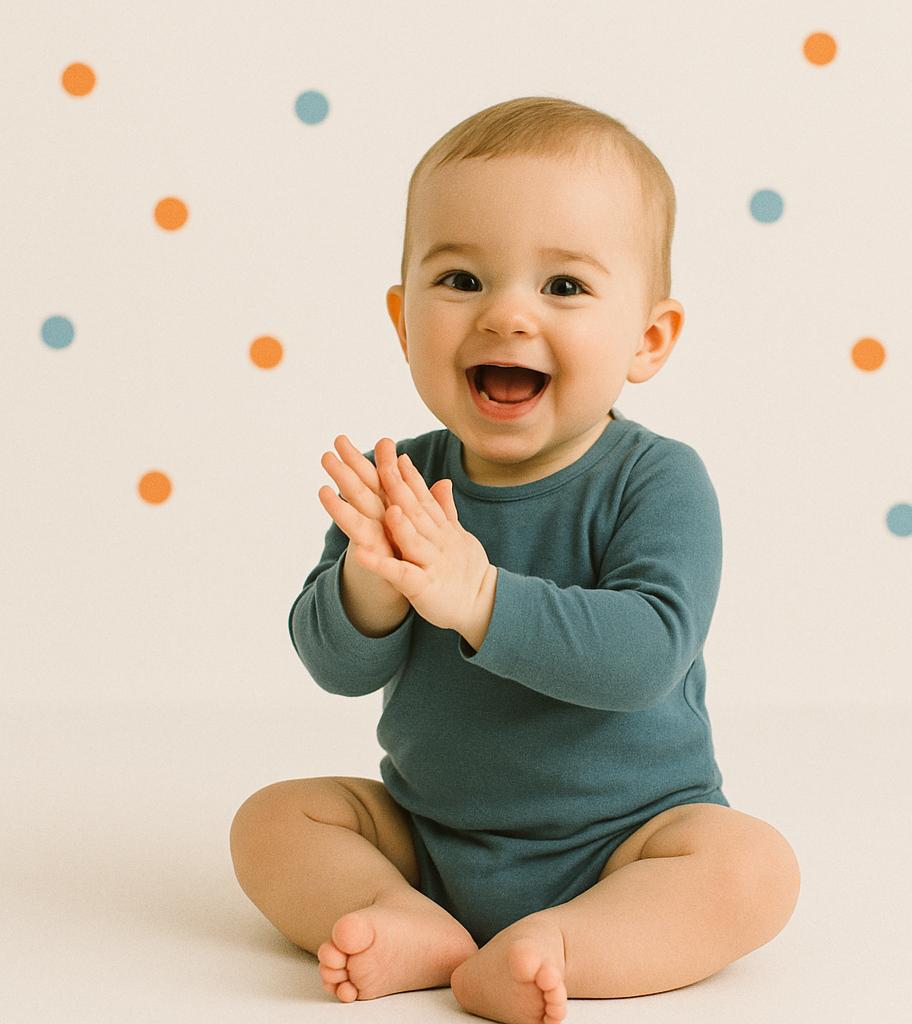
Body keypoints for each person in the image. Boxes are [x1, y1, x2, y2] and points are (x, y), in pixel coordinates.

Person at [230, 96, 799, 1024]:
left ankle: (568, 943)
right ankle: (402, 916)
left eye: (564, 288)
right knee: (273, 820)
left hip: (627, 844)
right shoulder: (404, 479)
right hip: (432, 833)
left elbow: (647, 655)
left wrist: (478, 595)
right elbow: (334, 668)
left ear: (648, 339)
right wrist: (370, 584)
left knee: (751, 868)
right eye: (459, 279)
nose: (505, 316)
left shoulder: (658, 481)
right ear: (401, 317)